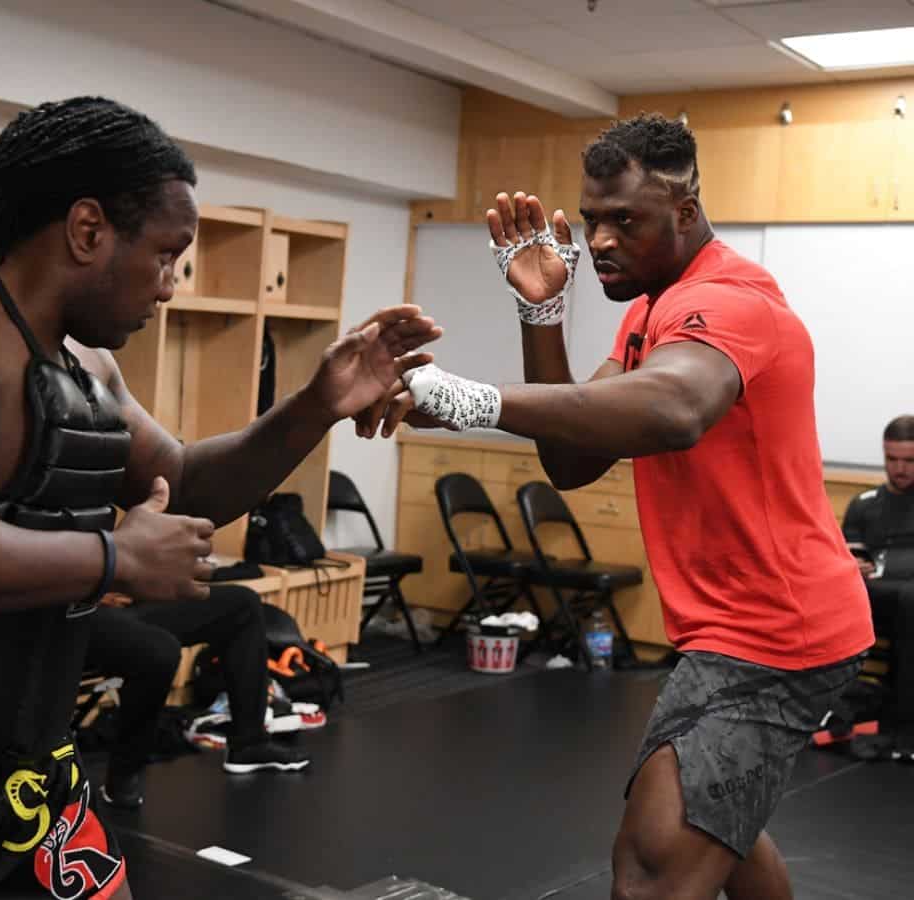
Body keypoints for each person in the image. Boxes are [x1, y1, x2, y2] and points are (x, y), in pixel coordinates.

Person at [0, 96, 440, 900]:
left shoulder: (82, 371)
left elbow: (186, 484)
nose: (169, 286)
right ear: (88, 230)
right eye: (167, 255)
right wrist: (112, 556)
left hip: (17, 771)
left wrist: (314, 405)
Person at [360, 114, 874, 900]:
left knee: (649, 872)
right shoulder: (649, 314)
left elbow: (675, 410)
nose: (599, 240)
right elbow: (574, 458)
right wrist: (541, 313)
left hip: (775, 631)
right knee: (717, 821)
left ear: (685, 210)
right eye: (592, 219)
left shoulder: (730, 301)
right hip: (733, 624)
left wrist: (471, 399)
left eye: (624, 220)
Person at [84, 582, 308, 811]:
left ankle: (249, 743)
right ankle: (122, 777)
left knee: (243, 604)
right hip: (72, 612)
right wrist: (89, 591)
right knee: (160, 650)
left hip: (127, 598)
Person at [842, 415, 914, 762]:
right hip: (869, 600)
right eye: (892, 459)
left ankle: (902, 723)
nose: (899, 468)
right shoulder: (865, 504)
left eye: (909, 460)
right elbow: (845, 555)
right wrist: (849, 564)